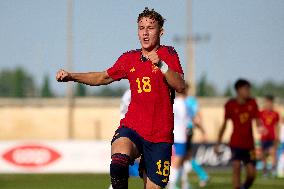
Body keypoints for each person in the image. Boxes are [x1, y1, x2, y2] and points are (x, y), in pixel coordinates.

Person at [56, 7, 185, 189]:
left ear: (161, 31)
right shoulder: (129, 59)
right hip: (133, 127)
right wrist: (71, 76)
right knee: (119, 161)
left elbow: (180, 86)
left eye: (151, 28)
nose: (145, 33)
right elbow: (103, 77)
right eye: (141, 28)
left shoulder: (169, 54)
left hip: (160, 136)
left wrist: (161, 65)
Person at [214, 79, 264, 189]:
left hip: (250, 145)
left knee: (252, 173)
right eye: (246, 89)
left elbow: (257, 120)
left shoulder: (252, 102)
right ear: (238, 90)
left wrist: (261, 127)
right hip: (235, 143)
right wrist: (218, 143)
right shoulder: (230, 105)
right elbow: (224, 125)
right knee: (236, 166)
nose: (248, 91)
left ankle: (244, 187)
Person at [182, 93, 208, 188]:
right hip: (183, 131)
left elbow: (196, 116)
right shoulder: (186, 101)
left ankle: (178, 183)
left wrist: (202, 130)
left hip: (185, 131)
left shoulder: (189, 101)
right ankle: (201, 176)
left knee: (182, 156)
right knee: (185, 156)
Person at [167, 84, 190, 189]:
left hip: (172, 135)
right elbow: (186, 122)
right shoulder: (183, 104)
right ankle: (171, 184)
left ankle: (184, 184)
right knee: (177, 161)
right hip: (180, 137)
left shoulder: (173, 103)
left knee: (178, 161)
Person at [259, 95, 280, 177]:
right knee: (263, 155)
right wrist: (261, 129)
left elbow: (276, 126)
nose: (269, 104)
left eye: (270, 102)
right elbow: (258, 123)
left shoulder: (276, 114)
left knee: (273, 153)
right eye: (267, 102)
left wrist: (277, 137)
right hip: (264, 138)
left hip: (272, 138)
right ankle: (265, 171)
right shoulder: (261, 113)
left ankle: (273, 170)